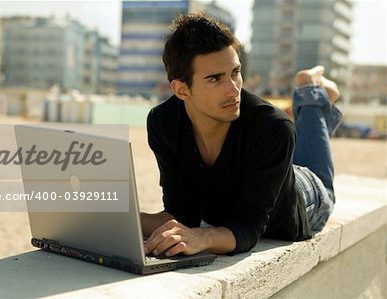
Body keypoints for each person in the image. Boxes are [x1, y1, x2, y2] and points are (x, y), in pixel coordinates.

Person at [140, 13, 342, 256]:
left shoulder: (273, 126)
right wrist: (117, 217)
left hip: (303, 197)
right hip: (262, 168)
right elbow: (182, 213)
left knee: (319, 177)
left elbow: (248, 228)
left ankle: (310, 91)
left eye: (235, 72)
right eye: (215, 79)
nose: (233, 90)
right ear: (182, 90)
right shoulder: (163, 122)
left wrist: (201, 237)